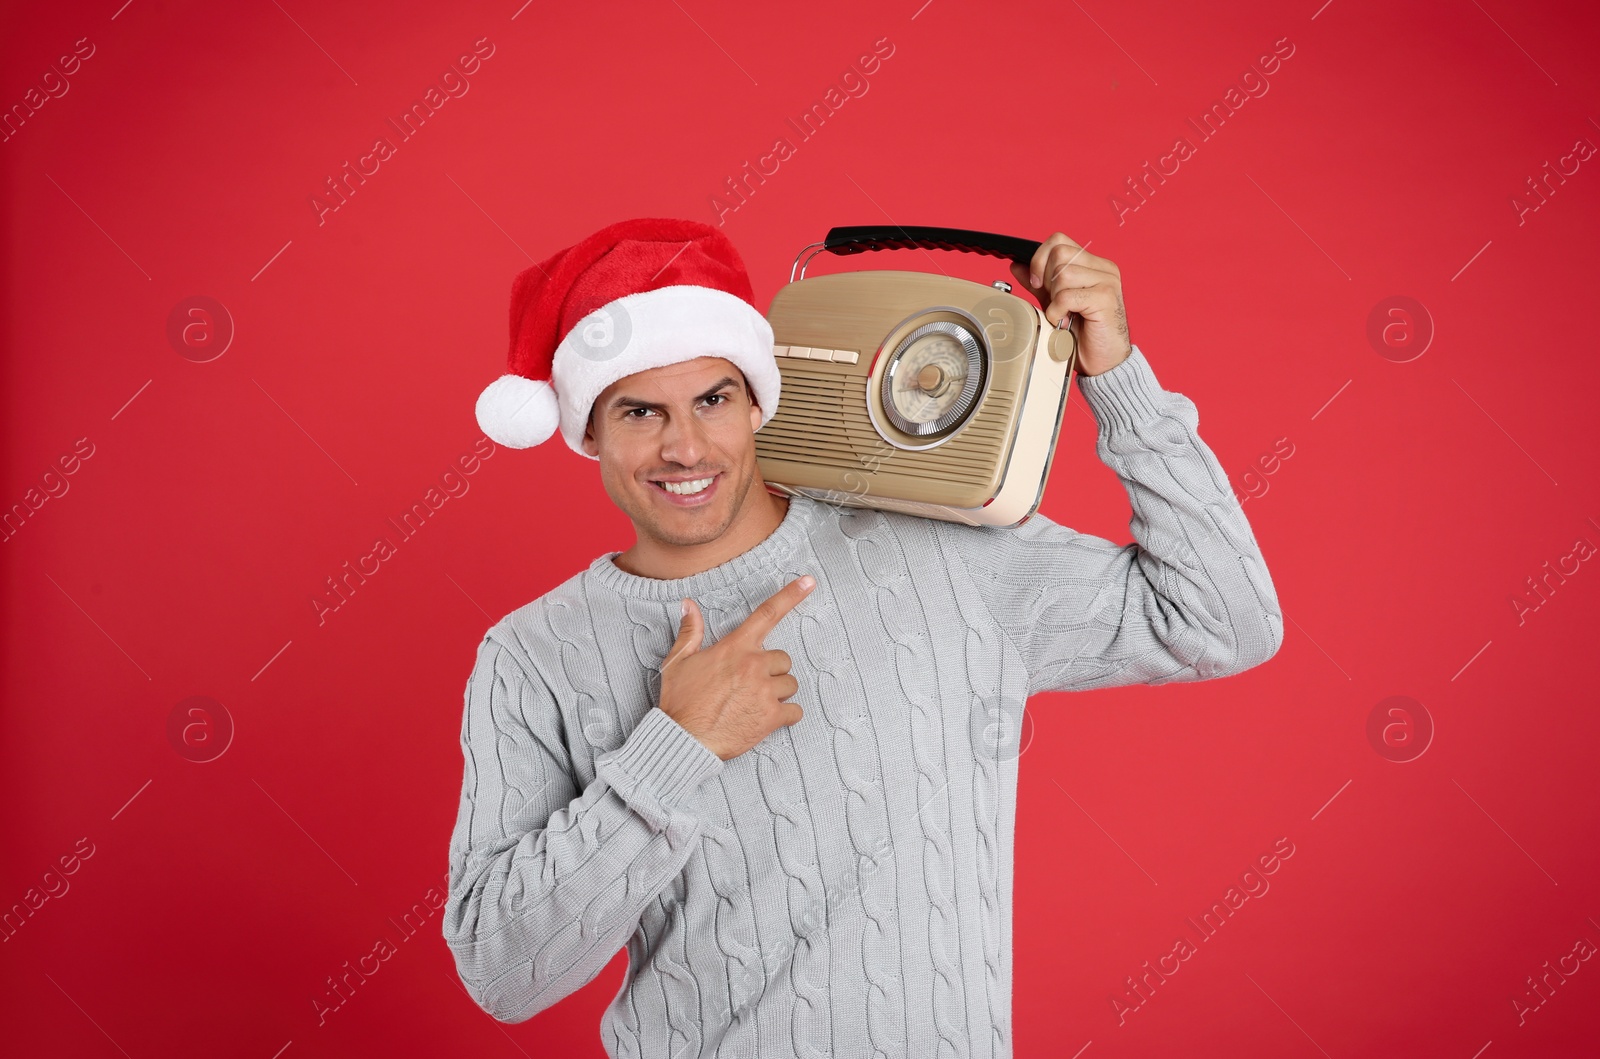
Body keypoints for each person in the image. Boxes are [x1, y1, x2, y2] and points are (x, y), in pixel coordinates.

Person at [443, 217, 1283, 1057]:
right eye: (638, 410)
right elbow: (502, 973)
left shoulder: (938, 550)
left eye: (713, 398)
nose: (685, 446)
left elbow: (1222, 618)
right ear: (587, 428)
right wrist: (676, 747)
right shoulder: (532, 656)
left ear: (758, 399)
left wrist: (1121, 384)